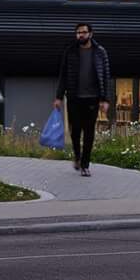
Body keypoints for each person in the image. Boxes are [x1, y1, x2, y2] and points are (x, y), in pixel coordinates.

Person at [53, 20, 113, 176]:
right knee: (75, 131)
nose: (81, 35)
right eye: (78, 32)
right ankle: (77, 157)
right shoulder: (70, 51)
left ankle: (85, 164)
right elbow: (63, 75)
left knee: (89, 132)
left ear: (90, 34)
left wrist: (105, 99)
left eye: (84, 32)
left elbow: (106, 76)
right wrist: (58, 97)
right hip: (74, 97)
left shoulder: (100, 52)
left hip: (92, 98)